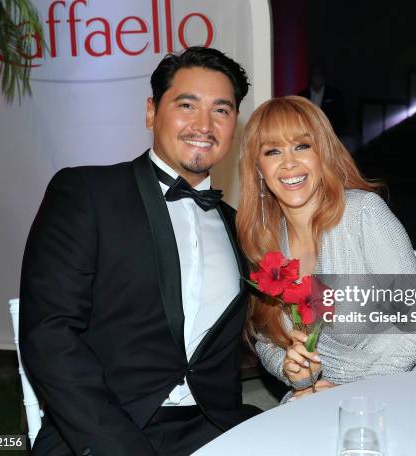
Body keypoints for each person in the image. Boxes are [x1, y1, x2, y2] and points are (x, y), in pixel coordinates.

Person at [19, 46, 260, 456]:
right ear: (151, 112)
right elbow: (49, 334)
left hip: (212, 428)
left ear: (234, 124)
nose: (204, 124)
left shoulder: (240, 226)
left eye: (221, 110)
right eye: (187, 105)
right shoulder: (87, 194)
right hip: (104, 431)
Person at [236, 96, 416, 403]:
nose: (289, 162)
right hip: (321, 398)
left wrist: (356, 386)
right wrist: (291, 367)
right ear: (258, 169)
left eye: (302, 146)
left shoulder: (363, 215)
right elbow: (268, 337)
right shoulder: (264, 241)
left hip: (400, 392)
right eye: (273, 151)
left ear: (323, 153)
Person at [298, 64, 346, 135]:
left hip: (329, 135)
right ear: (310, 76)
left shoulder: (335, 95)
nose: (317, 76)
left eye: (320, 73)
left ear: (324, 76)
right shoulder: (301, 96)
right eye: (315, 73)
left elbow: (341, 118)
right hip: (306, 134)